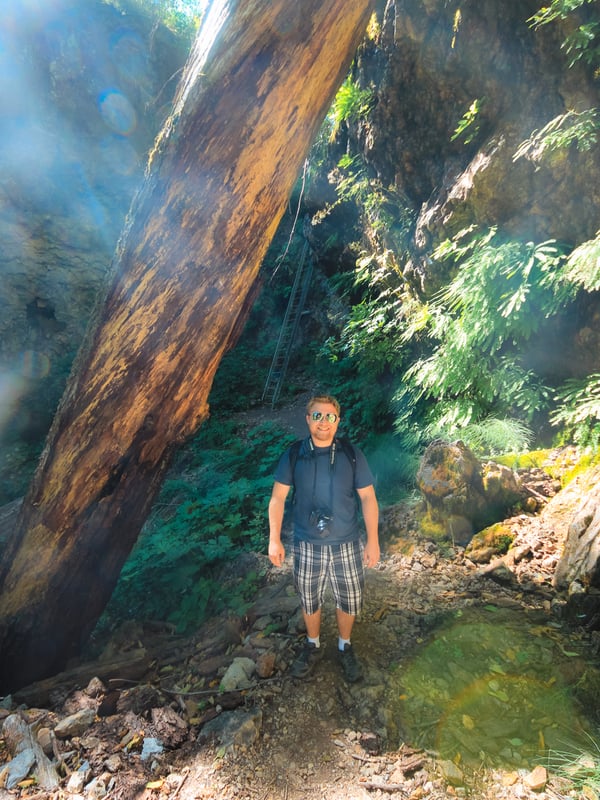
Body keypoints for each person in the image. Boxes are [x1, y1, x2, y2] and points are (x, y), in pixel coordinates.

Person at [268, 394, 380, 682]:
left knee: (350, 598)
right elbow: (278, 499)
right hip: (307, 543)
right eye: (317, 416)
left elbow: (368, 498)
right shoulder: (294, 454)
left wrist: (373, 540)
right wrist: (274, 539)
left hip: (347, 542)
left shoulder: (351, 454)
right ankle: (313, 644)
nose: (323, 422)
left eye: (330, 416)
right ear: (308, 419)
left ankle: (345, 646)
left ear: (338, 421)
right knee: (309, 598)